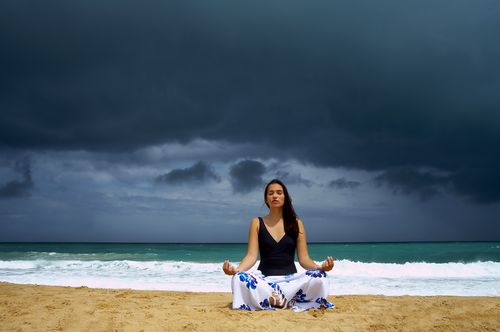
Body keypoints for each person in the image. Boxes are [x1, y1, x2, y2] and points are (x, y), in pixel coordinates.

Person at [222, 179, 335, 311]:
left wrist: (320, 267)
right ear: (266, 199)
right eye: (271, 193)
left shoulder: (296, 223)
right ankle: (287, 300)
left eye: (279, 192)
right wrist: (237, 269)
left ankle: (278, 300)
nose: (275, 196)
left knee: (320, 277)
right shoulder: (257, 222)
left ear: (285, 197)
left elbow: (304, 259)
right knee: (239, 278)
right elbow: (251, 256)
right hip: (265, 282)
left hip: (291, 282)